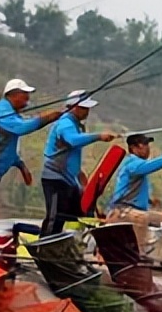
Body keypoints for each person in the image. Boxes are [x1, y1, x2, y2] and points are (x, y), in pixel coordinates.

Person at [0, 78, 63, 230]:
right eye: (25, 94)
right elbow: (21, 128)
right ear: (14, 95)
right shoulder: (3, 111)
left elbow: (8, 149)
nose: (28, 98)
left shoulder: (11, 115)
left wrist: (21, 166)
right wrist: (46, 118)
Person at [39, 91, 117, 237]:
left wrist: (81, 177)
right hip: (55, 178)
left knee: (82, 212)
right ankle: (44, 248)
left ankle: (73, 243)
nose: (87, 111)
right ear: (73, 107)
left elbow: (70, 157)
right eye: (83, 108)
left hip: (69, 179)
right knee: (55, 217)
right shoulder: (65, 123)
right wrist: (99, 136)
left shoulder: (75, 125)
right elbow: (73, 140)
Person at [105, 133, 162, 254]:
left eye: (146, 144)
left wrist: (150, 200)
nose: (147, 148)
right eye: (143, 145)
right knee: (141, 218)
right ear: (133, 148)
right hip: (121, 211)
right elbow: (151, 166)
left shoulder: (138, 166)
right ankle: (138, 254)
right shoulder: (132, 164)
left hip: (136, 210)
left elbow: (133, 190)